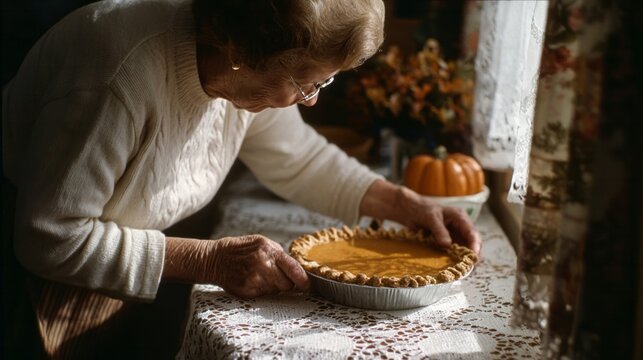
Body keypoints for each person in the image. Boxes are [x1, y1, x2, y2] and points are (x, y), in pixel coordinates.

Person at [2, 0, 481, 358]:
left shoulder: (245, 66)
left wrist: (410, 205)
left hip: (108, 268)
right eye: (306, 82)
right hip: (25, 285)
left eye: (323, 82)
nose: (311, 99)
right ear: (239, 50)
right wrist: (209, 260)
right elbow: (50, 237)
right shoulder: (116, 73)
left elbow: (298, 158)